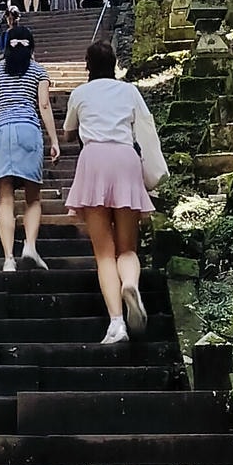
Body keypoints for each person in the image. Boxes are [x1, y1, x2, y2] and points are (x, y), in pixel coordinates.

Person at [64, 38, 167, 344]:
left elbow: (69, 131)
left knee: (104, 254)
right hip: (125, 159)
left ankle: (117, 323)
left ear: (87, 66)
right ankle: (130, 283)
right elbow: (145, 128)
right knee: (127, 249)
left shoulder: (80, 93)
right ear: (114, 65)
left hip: (94, 161)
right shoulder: (129, 91)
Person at [0, 26, 59, 272]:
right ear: (31, 47)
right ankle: (30, 246)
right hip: (28, 131)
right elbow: (44, 105)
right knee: (33, 198)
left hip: (0, 133)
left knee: (5, 198)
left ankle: (9, 259)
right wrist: (54, 140)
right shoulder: (38, 71)